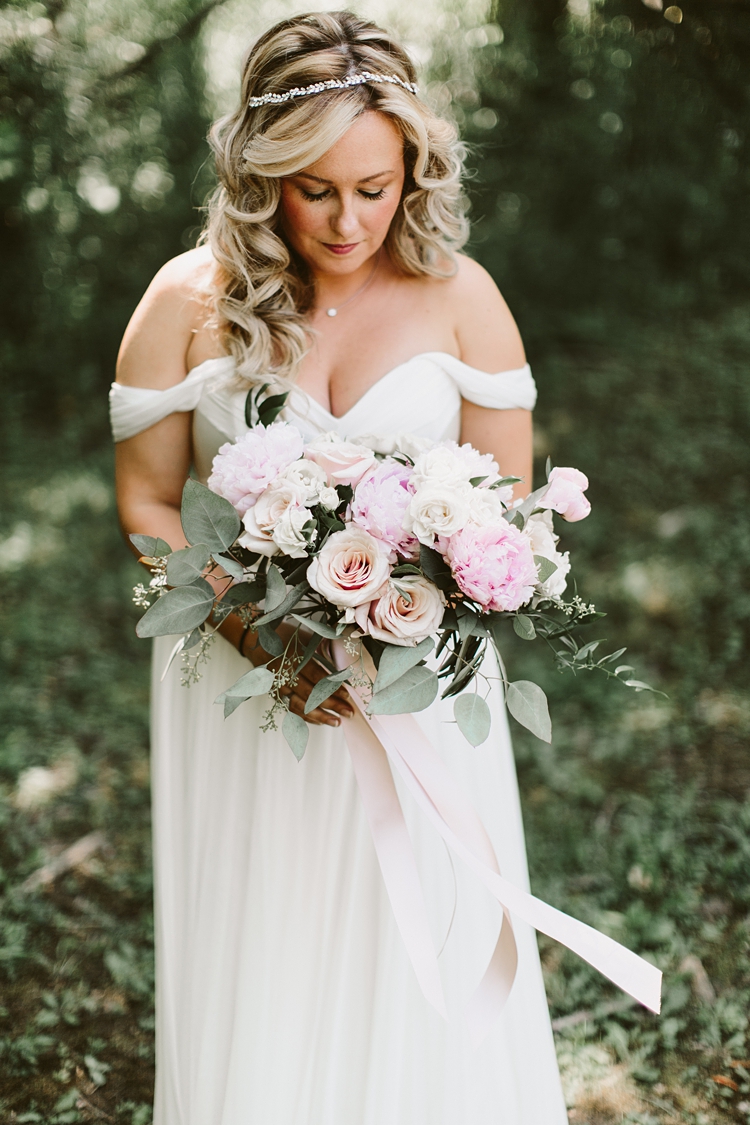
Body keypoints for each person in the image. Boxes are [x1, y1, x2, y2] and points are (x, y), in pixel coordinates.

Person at [111, 11, 568, 1123]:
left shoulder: (464, 297)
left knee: (420, 943)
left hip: (418, 688)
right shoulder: (185, 303)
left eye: (375, 187)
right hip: (244, 681)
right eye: (315, 190)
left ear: (413, 168)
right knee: (265, 936)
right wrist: (260, 632)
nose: (350, 220)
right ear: (260, 172)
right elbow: (149, 499)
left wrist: (418, 613)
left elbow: (507, 514)